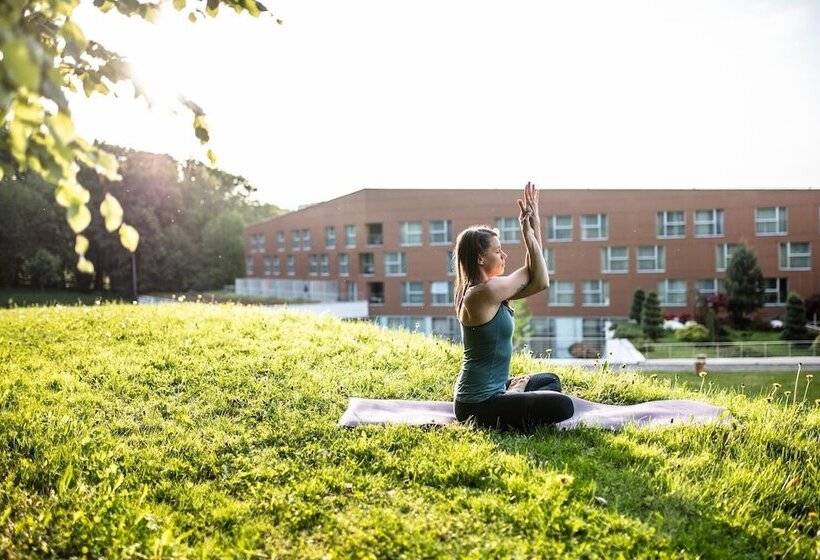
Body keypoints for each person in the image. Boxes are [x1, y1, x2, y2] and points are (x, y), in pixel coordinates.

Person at [452, 182, 574, 432]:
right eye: (498, 251)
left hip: (492, 392)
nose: (504, 256)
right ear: (481, 258)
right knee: (563, 405)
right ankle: (512, 400)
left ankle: (512, 397)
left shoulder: (491, 291)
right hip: (477, 404)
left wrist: (534, 223)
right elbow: (540, 279)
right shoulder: (485, 292)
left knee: (550, 380)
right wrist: (528, 234)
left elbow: (537, 276)